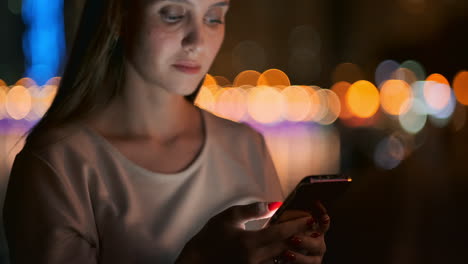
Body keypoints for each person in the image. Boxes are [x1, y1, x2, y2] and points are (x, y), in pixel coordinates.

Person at [3, 0, 330, 263]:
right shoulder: (58, 164)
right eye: (173, 15)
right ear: (118, 15)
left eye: (214, 17)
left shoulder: (246, 144)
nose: (198, 41)